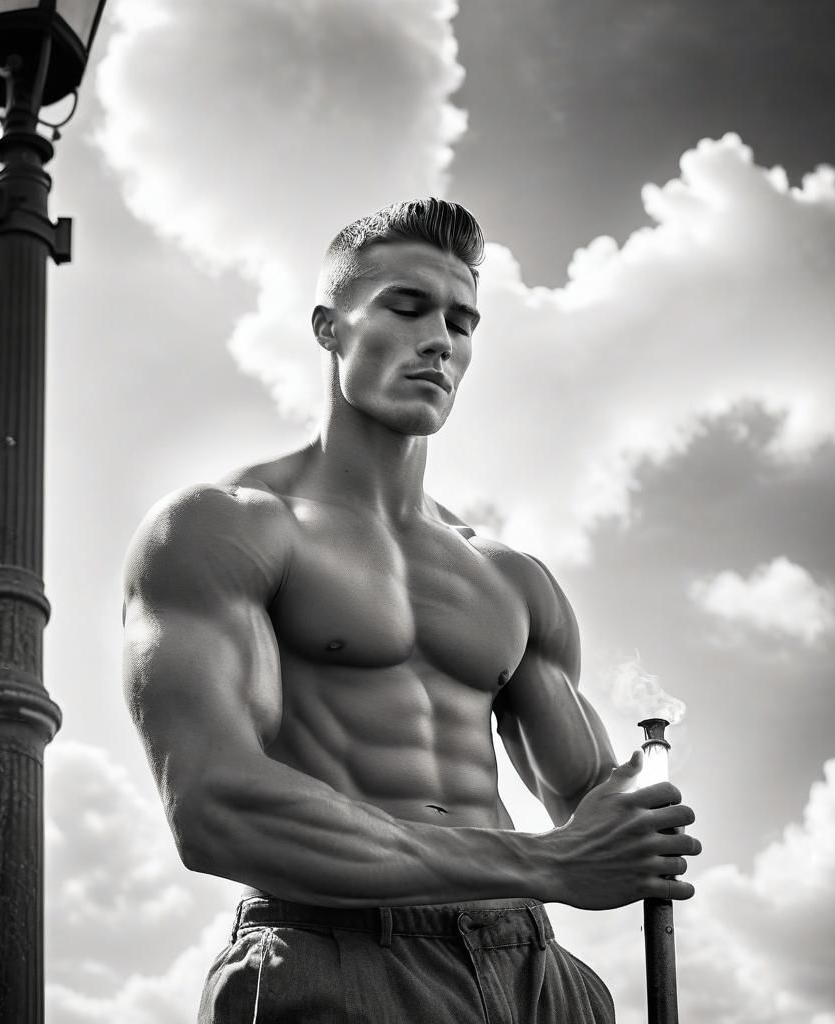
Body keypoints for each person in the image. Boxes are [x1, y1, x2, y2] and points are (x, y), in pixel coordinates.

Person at [121, 198, 701, 1023]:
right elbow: (217, 808)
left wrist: (640, 816)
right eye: (406, 306)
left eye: (463, 321)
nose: (442, 338)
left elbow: (591, 813)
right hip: (337, 957)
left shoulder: (512, 578)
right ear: (329, 327)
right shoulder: (227, 528)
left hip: (537, 973)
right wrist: (546, 865)